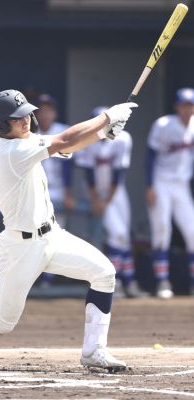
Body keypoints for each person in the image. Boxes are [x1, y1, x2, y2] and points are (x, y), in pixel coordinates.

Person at [0, 89, 137, 370]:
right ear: (1, 125)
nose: (26, 120)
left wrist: (102, 134)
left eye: (26, 114)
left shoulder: (22, 139)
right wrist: (107, 117)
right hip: (21, 247)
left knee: (104, 273)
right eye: (17, 118)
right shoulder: (10, 151)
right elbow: (65, 139)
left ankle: (94, 352)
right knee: (2, 322)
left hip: (52, 236)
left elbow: (67, 147)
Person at [76, 106, 146, 298]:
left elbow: (118, 174)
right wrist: (96, 199)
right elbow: (88, 174)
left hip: (116, 192)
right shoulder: (87, 141)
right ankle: (118, 283)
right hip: (95, 192)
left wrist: (106, 201)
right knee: (118, 235)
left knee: (123, 238)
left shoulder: (123, 139)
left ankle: (128, 282)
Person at [146, 87, 194, 299]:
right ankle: (162, 282)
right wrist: (150, 186)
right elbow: (150, 156)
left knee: (192, 232)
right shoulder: (164, 125)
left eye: (190, 105)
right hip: (161, 182)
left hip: (182, 185)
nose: (187, 109)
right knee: (162, 230)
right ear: (177, 106)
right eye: (184, 105)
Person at [35, 94, 75, 287]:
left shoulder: (61, 131)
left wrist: (68, 192)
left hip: (58, 190)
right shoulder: (30, 133)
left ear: (54, 113)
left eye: (48, 110)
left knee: (55, 234)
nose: (45, 114)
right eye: (41, 110)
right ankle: (38, 275)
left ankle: (48, 278)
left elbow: (68, 166)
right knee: (36, 236)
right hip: (36, 191)